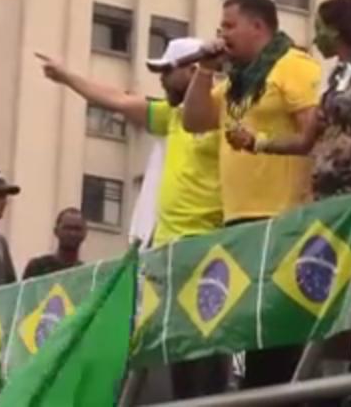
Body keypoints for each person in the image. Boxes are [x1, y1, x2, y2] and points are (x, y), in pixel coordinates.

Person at [226, 0, 351, 407]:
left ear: (341, 27)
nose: (317, 33)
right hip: (326, 197)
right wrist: (259, 143)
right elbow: (308, 140)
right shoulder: (337, 76)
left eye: (323, 24)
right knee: (331, 293)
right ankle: (333, 386)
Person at [36, 38, 226, 399]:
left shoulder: (222, 110)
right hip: (168, 252)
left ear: (191, 70)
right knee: (181, 354)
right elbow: (117, 99)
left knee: (207, 355)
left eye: (167, 72)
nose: (161, 81)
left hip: (206, 248)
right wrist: (66, 77)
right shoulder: (172, 116)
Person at [182, 0, 321, 399]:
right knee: (248, 326)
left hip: (281, 214)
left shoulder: (293, 66)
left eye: (229, 25)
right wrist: (205, 70)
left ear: (258, 27)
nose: (221, 33)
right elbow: (194, 120)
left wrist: (260, 142)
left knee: (276, 333)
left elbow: (312, 134)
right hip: (237, 217)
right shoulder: (235, 82)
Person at [22, 207, 87, 279]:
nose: (72, 233)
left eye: (77, 229)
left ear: (85, 234)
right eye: (67, 228)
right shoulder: (37, 268)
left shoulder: (87, 274)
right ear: (56, 231)